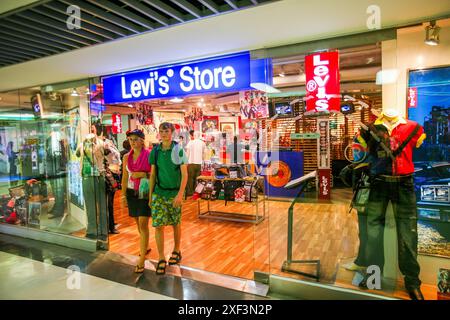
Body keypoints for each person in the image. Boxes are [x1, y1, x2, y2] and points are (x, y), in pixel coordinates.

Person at [148, 122, 188, 275]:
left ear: (172, 132)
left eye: (166, 131)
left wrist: (180, 194)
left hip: (174, 193)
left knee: (175, 223)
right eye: (161, 131)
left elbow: (185, 174)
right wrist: (150, 195)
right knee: (158, 225)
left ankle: (176, 250)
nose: (164, 133)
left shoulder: (177, 150)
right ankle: (160, 257)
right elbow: (153, 174)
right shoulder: (156, 151)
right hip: (159, 192)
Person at [121, 129, 152, 273]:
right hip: (131, 192)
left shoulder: (150, 155)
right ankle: (145, 245)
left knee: (143, 223)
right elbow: (124, 177)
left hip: (145, 192)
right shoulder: (126, 157)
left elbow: (155, 174)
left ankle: (141, 259)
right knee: (137, 223)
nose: (133, 142)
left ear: (142, 140)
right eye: (131, 139)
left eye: (135, 139)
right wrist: (122, 195)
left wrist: (144, 174)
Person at [76, 124, 108, 240]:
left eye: (93, 129)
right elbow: (78, 154)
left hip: (97, 176)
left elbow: (111, 155)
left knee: (99, 204)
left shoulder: (101, 144)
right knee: (94, 205)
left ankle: (98, 230)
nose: (90, 131)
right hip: (90, 176)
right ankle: (97, 230)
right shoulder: (83, 144)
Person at [185, 131, 206, 197]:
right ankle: (196, 192)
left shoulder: (190, 142)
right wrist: (203, 161)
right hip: (199, 163)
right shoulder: (202, 143)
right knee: (198, 179)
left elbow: (187, 153)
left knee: (190, 179)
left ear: (194, 135)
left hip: (191, 163)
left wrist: (185, 162)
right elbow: (203, 154)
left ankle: (190, 192)